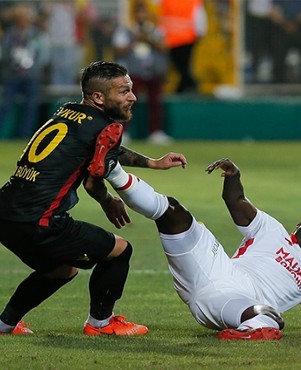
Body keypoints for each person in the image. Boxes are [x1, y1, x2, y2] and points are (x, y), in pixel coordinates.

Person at [101, 158, 301, 340]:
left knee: (270, 319)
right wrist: (233, 175)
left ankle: (245, 332)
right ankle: (113, 168)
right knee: (173, 212)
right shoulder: (270, 229)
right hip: (214, 270)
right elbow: (236, 201)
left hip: (237, 304)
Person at [0, 61, 187, 336]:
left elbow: (103, 149)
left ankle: (4, 324)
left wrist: (154, 163)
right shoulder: (106, 127)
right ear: (99, 97)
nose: (133, 97)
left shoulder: (68, 112)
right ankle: (101, 323)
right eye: (124, 91)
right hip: (40, 220)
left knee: (61, 270)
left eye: (131, 90)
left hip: (6, 214)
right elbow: (93, 178)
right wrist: (107, 200)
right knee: (119, 250)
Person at [113, 1, 173, 145]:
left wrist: (149, 39)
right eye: (139, 13)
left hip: (152, 70)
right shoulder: (126, 30)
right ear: (135, 15)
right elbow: (119, 49)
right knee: (127, 102)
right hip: (133, 71)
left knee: (155, 102)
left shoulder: (155, 30)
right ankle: (123, 131)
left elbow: (164, 47)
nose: (142, 16)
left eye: (144, 13)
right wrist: (135, 39)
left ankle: (155, 132)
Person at [0, 4, 50, 139]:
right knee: (5, 106)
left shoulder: (38, 35)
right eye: (20, 17)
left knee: (31, 108)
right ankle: (2, 135)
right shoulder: (9, 34)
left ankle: (25, 136)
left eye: (25, 17)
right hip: (11, 75)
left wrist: (33, 69)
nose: (23, 20)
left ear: (30, 19)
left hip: (32, 77)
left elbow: (44, 57)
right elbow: (3, 54)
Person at [159, 0, 207, 93]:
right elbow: (200, 19)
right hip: (185, 38)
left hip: (175, 38)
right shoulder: (193, 2)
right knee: (182, 66)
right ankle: (185, 87)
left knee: (181, 66)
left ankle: (188, 85)